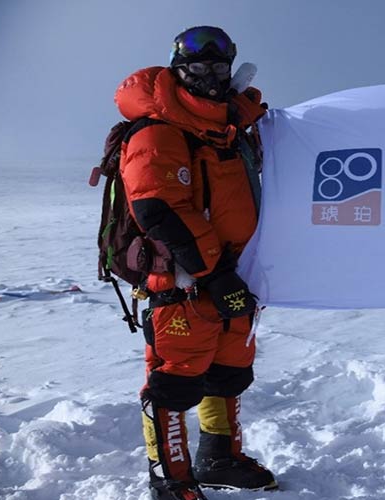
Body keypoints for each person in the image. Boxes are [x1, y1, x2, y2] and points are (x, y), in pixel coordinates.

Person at [114, 26, 275, 499]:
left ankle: (218, 459)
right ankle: (170, 478)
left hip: (236, 274)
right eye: (197, 68)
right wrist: (216, 275)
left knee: (228, 370)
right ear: (177, 70)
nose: (209, 76)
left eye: (218, 67)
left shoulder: (232, 128)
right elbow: (159, 209)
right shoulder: (159, 130)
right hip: (184, 279)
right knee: (175, 379)